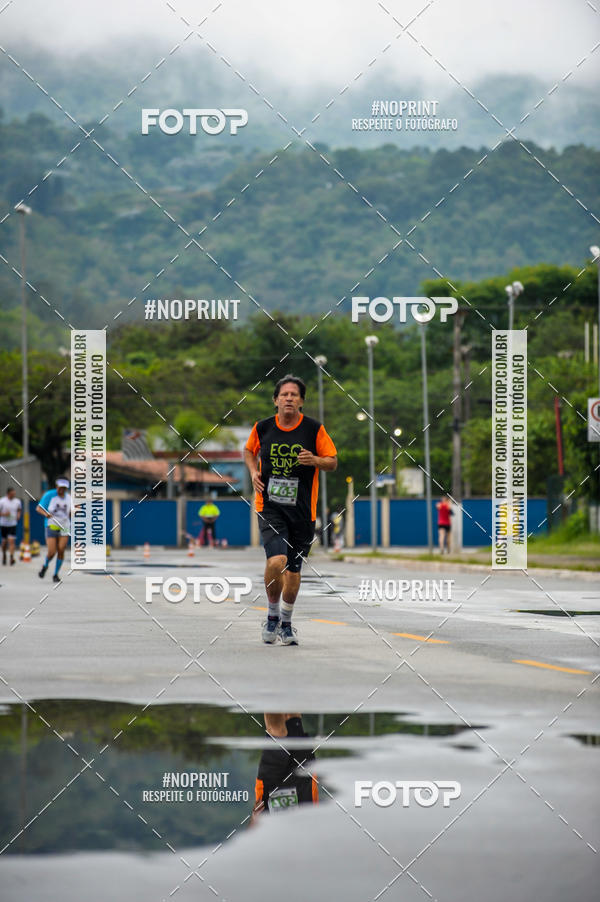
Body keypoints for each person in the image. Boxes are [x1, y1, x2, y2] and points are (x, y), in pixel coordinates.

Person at [244, 375, 337, 646]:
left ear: (301, 401)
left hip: (303, 512)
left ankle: (286, 623)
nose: (288, 399)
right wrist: (252, 472)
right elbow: (249, 451)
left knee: (294, 573)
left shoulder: (313, 430)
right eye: (284, 394)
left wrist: (315, 460)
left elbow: (332, 462)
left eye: (294, 395)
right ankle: (271, 616)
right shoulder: (262, 428)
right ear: (275, 400)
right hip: (270, 506)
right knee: (276, 562)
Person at [252, 713, 318, 821]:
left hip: (270, 796)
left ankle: (271, 696)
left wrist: (254, 820)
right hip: (304, 791)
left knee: (276, 733)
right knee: (293, 718)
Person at [36, 478, 72, 582]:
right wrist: (45, 514)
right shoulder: (49, 495)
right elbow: (39, 508)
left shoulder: (69, 498)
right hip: (51, 525)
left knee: (61, 549)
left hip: (64, 526)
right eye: (60, 487)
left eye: (64, 488)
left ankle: (55, 574)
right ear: (56, 486)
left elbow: (70, 513)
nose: (61, 489)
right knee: (52, 552)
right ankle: (45, 566)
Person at [0, 487, 22, 565]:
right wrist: (4, 514)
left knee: (11, 541)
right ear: (8, 494)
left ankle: (12, 557)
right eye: (12, 494)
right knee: (4, 542)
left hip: (13, 524)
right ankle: (4, 555)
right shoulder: (2, 501)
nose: (13, 495)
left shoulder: (17, 501)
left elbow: (19, 509)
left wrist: (18, 515)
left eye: (14, 494)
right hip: (4, 524)